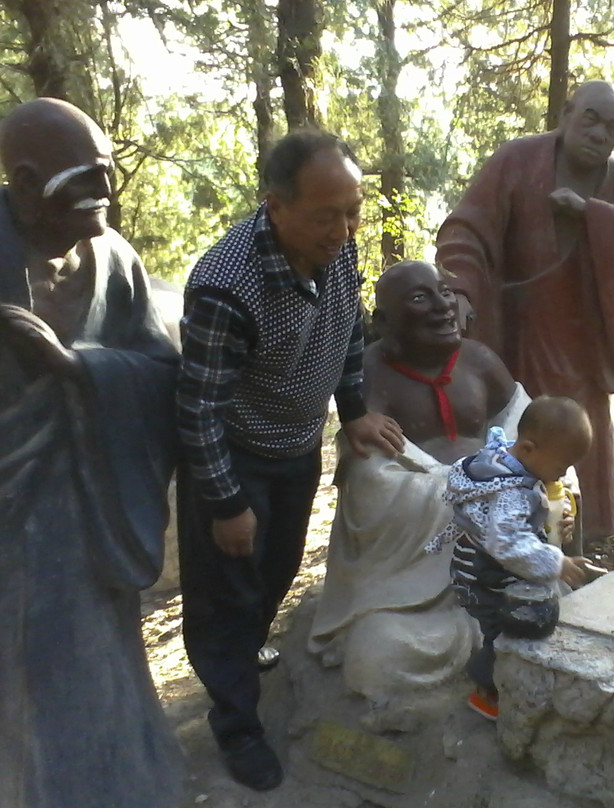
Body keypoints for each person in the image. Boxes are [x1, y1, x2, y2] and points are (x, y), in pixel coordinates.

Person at [176, 130, 404, 791]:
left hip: (295, 447)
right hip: (235, 454)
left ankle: (245, 656)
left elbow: (348, 331)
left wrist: (355, 408)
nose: (342, 229)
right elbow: (198, 411)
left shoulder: (336, 246)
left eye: (351, 211)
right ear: (276, 207)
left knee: (273, 571)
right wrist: (225, 503)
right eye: (325, 214)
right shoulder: (226, 285)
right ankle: (236, 726)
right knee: (228, 591)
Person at [0, 98, 183, 808]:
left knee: (95, 665)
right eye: (83, 180)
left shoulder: (116, 260)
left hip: (93, 513)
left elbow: (159, 370)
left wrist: (76, 367)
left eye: (109, 175)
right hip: (13, 518)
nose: (104, 194)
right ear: (22, 180)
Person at [436, 80, 614, 544]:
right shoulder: (517, 160)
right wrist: (460, 288)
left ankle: (591, 527)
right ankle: (510, 529)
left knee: (584, 426)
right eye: (591, 118)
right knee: (521, 418)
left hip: (584, 333)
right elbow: (467, 229)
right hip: (520, 330)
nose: (600, 133)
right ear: (567, 113)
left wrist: (590, 213)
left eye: (613, 126)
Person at [308, 259, 530, 697]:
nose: (441, 306)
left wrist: (528, 475)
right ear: (383, 320)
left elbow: (527, 426)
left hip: (498, 563)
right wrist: (462, 490)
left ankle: (491, 625)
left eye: (445, 292)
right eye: (418, 297)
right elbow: (371, 483)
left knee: (546, 603)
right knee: (377, 659)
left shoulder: (480, 360)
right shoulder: (368, 374)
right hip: (413, 590)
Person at [440, 396, 595, 720]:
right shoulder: (508, 493)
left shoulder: (509, 458)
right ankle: (486, 691)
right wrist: (556, 563)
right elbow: (508, 544)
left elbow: (526, 521)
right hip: (483, 574)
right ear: (528, 449)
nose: (561, 475)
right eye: (559, 467)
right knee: (503, 630)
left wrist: (555, 521)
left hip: (495, 564)